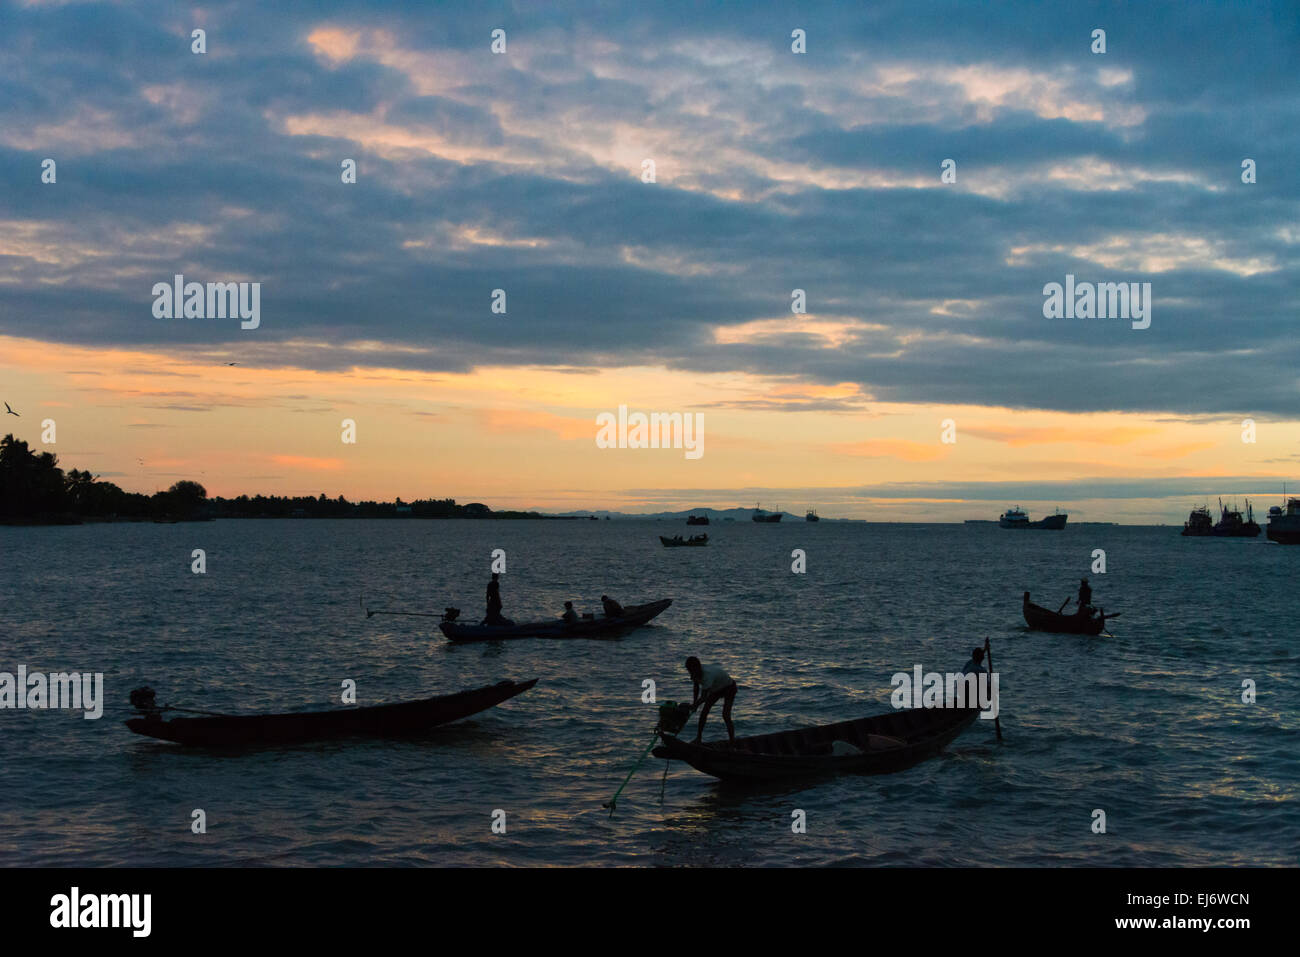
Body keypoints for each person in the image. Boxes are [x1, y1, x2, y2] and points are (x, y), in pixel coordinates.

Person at [685, 656, 737, 746]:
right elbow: (696, 687)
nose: (690, 673)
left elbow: (704, 697)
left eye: (690, 670)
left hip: (729, 688)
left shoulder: (707, 676)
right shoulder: (695, 673)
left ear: (696, 668)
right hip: (716, 689)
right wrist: (694, 703)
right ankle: (698, 738)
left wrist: (695, 705)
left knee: (726, 715)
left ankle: (732, 742)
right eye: (689, 670)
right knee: (704, 712)